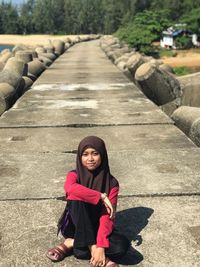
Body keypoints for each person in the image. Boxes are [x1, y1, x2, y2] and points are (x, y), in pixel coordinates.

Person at [47, 136, 130, 267]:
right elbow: (70, 189)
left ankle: (71, 243)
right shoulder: (74, 175)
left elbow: (107, 216)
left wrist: (101, 246)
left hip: (96, 228)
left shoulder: (112, 183)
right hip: (75, 226)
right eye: (85, 154)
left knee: (121, 247)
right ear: (80, 157)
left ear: (102, 155)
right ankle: (90, 247)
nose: (90, 159)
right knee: (76, 196)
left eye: (95, 154)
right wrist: (101, 197)